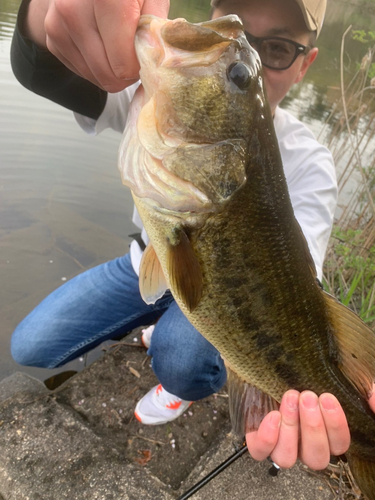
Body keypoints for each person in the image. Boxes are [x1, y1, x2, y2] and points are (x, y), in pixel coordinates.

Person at [10, 0, 375, 473]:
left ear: (306, 63)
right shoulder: (158, 95)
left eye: (278, 49)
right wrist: (45, 16)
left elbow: (299, 300)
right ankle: (156, 325)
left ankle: (184, 383)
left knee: (182, 357)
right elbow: (41, 68)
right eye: (229, 27)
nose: (253, 60)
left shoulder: (312, 163)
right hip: (144, 263)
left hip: (215, 304)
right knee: (29, 346)